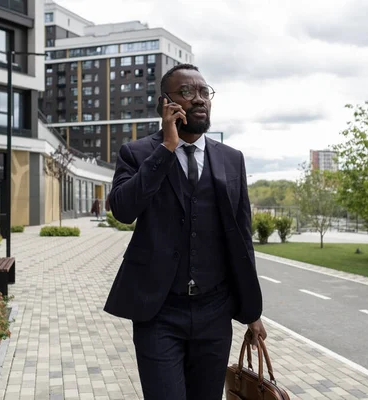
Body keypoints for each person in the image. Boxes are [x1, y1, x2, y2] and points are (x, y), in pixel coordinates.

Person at [104, 64, 266, 400]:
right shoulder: (137, 153)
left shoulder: (231, 159)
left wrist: (252, 314)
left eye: (204, 92)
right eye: (187, 92)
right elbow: (122, 209)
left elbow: (241, 240)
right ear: (165, 103)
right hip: (159, 311)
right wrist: (166, 147)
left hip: (214, 312)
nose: (199, 99)